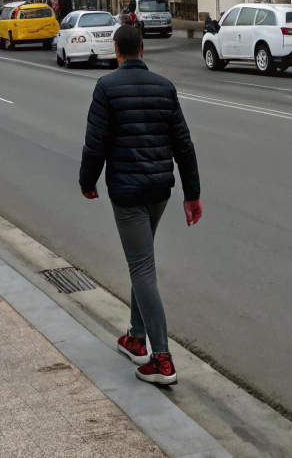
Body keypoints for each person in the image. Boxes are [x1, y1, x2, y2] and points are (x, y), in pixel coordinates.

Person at [79, 23, 201, 388]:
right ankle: (135, 337)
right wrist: (192, 194)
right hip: (160, 191)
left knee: (142, 268)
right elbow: (184, 144)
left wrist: (87, 181)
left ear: (117, 50)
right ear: (142, 49)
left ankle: (162, 358)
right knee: (142, 260)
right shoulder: (165, 87)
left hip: (128, 193)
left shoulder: (106, 88)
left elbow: (95, 142)